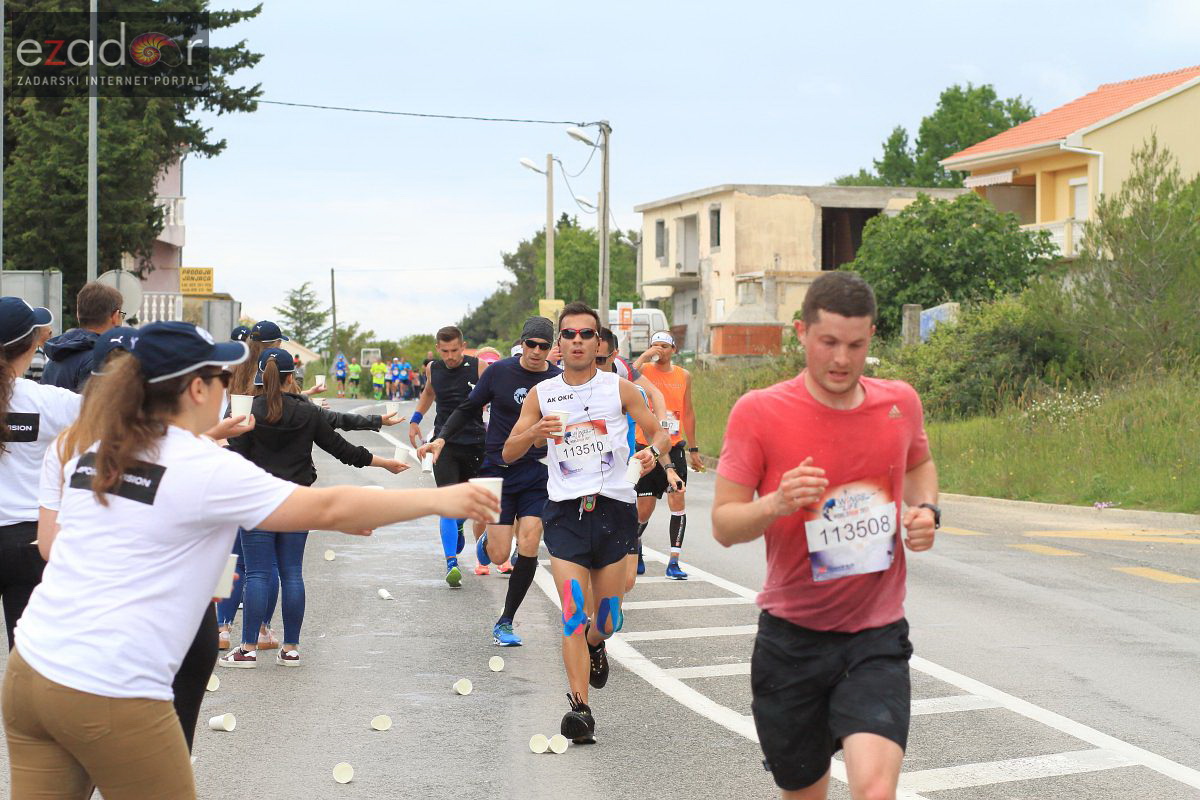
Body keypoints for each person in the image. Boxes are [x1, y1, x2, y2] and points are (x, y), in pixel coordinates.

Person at [3, 320, 498, 799]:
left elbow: (84, 524)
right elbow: (326, 506)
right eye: (220, 377)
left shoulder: (90, 445)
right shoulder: (201, 465)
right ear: (196, 389)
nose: (228, 386)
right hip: (110, 685)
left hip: (32, 670)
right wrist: (443, 500)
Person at [711, 272, 939, 800]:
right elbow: (723, 525)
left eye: (856, 345)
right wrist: (777, 502)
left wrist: (926, 511)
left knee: (875, 791)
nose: (841, 359)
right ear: (801, 333)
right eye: (828, 342)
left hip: (875, 637)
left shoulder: (899, 403)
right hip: (791, 643)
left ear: (872, 338)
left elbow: (920, 464)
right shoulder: (760, 412)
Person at [37, 327, 253, 752]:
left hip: (91, 623)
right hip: (170, 618)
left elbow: (51, 546)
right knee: (168, 747)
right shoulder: (188, 450)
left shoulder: (71, 444)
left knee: (90, 758)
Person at [503, 302, 672, 744]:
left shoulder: (619, 389)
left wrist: (652, 453)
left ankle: (598, 644)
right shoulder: (543, 396)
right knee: (574, 613)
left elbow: (660, 432)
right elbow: (508, 452)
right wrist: (534, 433)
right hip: (565, 514)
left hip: (615, 510)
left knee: (609, 617)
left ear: (599, 343)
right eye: (569, 334)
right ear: (560, 344)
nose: (577, 340)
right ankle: (579, 709)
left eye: (586, 334)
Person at [219, 348, 408, 668]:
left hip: (258, 502)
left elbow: (231, 453)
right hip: (298, 502)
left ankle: (247, 648)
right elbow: (343, 450)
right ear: (293, 378)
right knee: (292, 573)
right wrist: (383, 463)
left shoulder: (248, 411)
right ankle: (291, 648)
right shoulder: (308, 412)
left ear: (260, 378)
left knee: (258, 574)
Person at [419, 317, 561, 646]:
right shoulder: (500, 372)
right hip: (497, 468)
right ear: (522, 344)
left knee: (528, 543)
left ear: (551, 348)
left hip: (536, 472)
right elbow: (468, 408)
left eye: (543, 346)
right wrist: (441, 438)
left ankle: (506, 621)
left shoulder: (558, 379)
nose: (537, 352)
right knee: (498, 555)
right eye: (531, 345)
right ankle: (486, 544)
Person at [0, 298, 78, 649]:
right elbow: (119, 418)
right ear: (33, 344)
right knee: (30, 659)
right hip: (30, 542)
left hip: (30, 540)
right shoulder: (49, 401)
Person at [410, 326, 487, 587]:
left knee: (470, 504)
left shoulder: (479, 367)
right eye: (445, 351)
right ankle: (451, 563)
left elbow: (496, 399)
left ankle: (460, 523)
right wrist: (415, 419)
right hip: (443, 445)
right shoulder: (433, 368)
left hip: (476, 444)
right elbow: (429, 393)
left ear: (463, 347)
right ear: (438, 349)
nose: (451, 356)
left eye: (455, 350)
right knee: (447, 503)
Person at [596, 328, 666, 588]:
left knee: (626, 583)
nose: (596, 366)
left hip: (624, 475)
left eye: (602, 360)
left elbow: (656, 406)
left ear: (613, 356)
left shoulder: (626, 383)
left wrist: (657, 446)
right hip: (583, 485)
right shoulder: (567, 379)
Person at [632, 331, 702, 580]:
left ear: (673, 349)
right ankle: (635, 548)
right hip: (647, 446)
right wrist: (645, 356)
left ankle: (674, 561)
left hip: (674, 445)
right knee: (643, 511)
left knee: (678, 501)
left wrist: (693, 449)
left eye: (664, 346)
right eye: (655, 345)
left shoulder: (684, 375)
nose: (659, 350)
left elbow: (689, 413)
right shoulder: (644, 371)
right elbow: (626, 375)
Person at [41, 282, 124, 392]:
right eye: (122, 315)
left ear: (77, 315)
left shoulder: (57, 353)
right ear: (115, 316)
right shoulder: (100, 359)